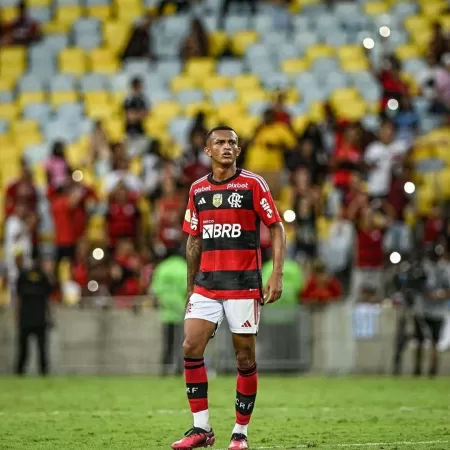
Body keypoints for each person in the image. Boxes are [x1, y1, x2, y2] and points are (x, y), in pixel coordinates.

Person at [171, 126, 285, 450]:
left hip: (243, 284)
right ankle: (201, 430)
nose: (227, 147)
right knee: (191, 347)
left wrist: (276, 274)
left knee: (244, 358)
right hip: (206, 284)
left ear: (238, 150)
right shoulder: (197, 190)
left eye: (232, 143)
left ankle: (240, 432)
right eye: (219, 142)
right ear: (207, 150)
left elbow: (276, 228)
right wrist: (191, 285)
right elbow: (194, 240)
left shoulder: (253, 184)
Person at [15, 258, 54, 376]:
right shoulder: (24, 278)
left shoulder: (43, 278)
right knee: (24, 350)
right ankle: (20, 372)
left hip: (37, 319)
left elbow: (50, 294)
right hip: (29, 319)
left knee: (41, 350)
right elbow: (18, 300)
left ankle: (42, 372)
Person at [152, 251, 187, 376]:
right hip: (181, 310)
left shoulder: (162, 267)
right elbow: (188, 288)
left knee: (167, 343)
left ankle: (165, 369)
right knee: (181, 343)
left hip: (166, 312)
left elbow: (155, 289)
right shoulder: (184, 267)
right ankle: (179, 369)